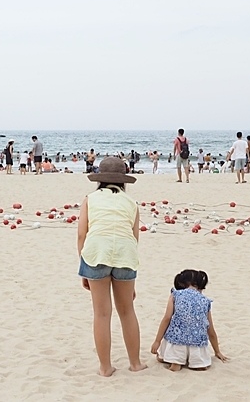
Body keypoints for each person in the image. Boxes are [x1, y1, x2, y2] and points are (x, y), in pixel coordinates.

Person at [77, 157, 147, 376]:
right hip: (126, 255)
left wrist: (83, 265)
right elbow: (134, 238)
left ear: (100, 180)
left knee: (101, 314)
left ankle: (105, 368)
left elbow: (82, 234)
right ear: (123, 181)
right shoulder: (131, 203)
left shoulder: (90, 199)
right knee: (127, 311)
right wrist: (130, 279)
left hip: (96, 253)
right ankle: (135, 363)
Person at [150, 270, 228, 371]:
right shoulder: (205, 301)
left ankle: (176, 363)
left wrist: (157, 341)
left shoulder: (175, 295)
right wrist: (217, 351)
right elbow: (210, 329)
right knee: (200, 365)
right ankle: (196, 362)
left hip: (177, 340)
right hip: (197, 343)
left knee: (165, 359)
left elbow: (167, 318)